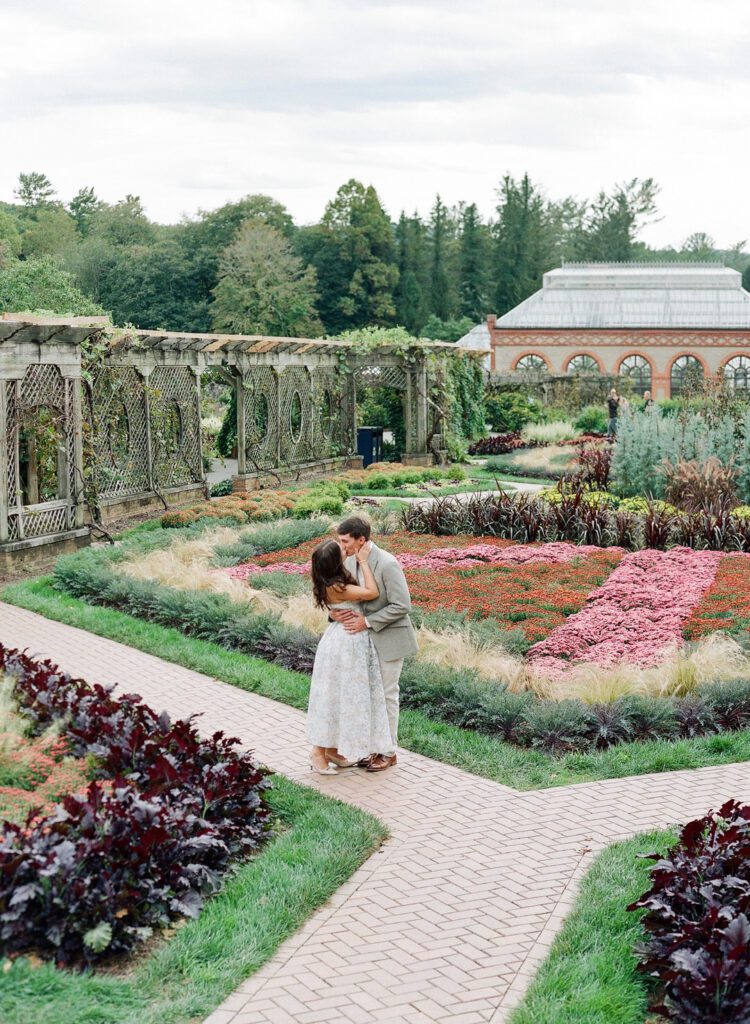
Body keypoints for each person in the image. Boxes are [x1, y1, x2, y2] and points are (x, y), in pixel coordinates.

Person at [330, 515, 418, 773]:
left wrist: (367, 622)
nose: (342, 545)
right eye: (340, 540)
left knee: (387, 695)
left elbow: (402, 605)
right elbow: (345, 597)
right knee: (369, 696)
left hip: (389, 639)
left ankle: (388, 752)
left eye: (345, 541)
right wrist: (333, 614)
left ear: (362, 540)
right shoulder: (346, 560)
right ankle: (373, 748)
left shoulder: (388, 563)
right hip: (361, 643)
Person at [307, 537, 393, 775]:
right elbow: (372, 592)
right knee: (336, 697)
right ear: (335, 562)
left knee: (338, 694)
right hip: (346, 643)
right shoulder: (339, 587)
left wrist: (334, 614)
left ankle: (332, 750)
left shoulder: (329, 580)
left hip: (339, 639)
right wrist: (364, 562)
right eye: (341, 549)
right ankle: (317, 752)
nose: (345, 549)